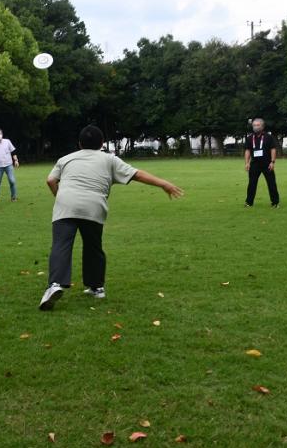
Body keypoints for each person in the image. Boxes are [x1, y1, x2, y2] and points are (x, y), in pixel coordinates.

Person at [38, 125, 183, 311]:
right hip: (94, 206)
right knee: (93, 247)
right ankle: (96, 287)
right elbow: (136, 174)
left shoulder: (65, 159)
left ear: (80, 143)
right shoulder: (109, 159)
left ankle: (55, 285)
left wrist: (60, 198)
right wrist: (164, 183)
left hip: (65, 204)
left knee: (61, 244)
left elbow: (50, 180)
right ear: (102, 144)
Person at [244, 118, 280, 208]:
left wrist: (272, 162)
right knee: (252, 184)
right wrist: (247, 163)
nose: (255, 127)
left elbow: (273, 149)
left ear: (262, 126)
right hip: (254, 164)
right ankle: (249, 203)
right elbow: (247, 150)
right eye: (254, 125)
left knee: (271, 183)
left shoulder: (268, 137)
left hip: (267, 164)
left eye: (257, 125)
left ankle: (275, 203)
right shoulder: (249, 138)